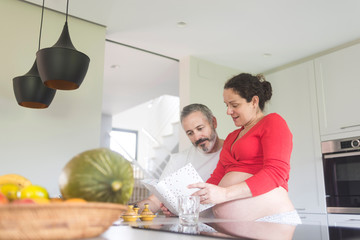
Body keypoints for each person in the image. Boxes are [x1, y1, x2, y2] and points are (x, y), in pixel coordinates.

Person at [189, 73, 301, 224]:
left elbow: (276, 172)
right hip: (234, 225)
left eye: (234, 105)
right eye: (226, 105)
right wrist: (191, 203)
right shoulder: (231, 137)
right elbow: (217, 177)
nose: (228, 111)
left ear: (254, 101)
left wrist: (225, 193)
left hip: (271, 221)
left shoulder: (273, 122)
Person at [136, 103, 224, 215]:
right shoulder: (179, 160)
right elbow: (154, 201)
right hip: (188, 228)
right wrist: (130, 210)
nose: (197, 137)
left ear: (214, 122)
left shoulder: (233, 152)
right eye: (190, 133)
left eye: (200, 128)